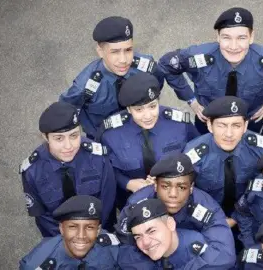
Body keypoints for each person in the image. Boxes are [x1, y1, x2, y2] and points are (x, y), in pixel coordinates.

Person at [158, 7, 263, 134]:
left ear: (252, 37)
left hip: (250, 121)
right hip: (209, 120)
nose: (233, 46)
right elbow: (166, 65)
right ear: (217, 37)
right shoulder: (199, 57)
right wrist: (191, 100)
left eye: (241, 38)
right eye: (226, 37)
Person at [115, 152, 236, 268]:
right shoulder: (137, 205)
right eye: (165, 186)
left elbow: (225, 254)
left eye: (182, 187)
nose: (173, 194)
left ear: (191, 188)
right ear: (155, 186)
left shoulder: (205, 206)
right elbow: (127, 250)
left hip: (188, 255)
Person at [19, 101, 116, 237]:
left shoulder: (98, 157)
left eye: (74, 136)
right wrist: (68, 240)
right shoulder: (32, 171)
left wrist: (92, 233)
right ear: (45, 137)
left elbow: (107, 201)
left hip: (99, 230)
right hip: (59, 238)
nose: (68, 146)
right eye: (59, 138)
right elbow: (43, 217)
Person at [59, 16, 165, 139]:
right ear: (100, 51)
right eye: (114, 52)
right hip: (105, 138)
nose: (123, 60)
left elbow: (156, 86)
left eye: (128, 50)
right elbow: (65, 115)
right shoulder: (85, 85)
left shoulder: (145, 66)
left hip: (142, 128)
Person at [183, 96, 263, 252]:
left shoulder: (259, 148)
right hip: (207, 218)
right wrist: (215, 220)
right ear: (209, 125)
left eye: (236, 125)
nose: (229, 134)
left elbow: (262, 185)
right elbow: (187, 195)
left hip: (248, 212)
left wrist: (236, 217)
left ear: (245, 125)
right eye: (221, 125)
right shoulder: (193, 154)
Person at [100, 72, 199, 201]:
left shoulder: (179, 123)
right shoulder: (110, 133)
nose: (148, 116)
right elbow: (104, 167)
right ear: (129, 109)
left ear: (158, 101)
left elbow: (197, 153)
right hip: (133, 198)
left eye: (152, 106)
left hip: (177, 195)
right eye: (139, 110)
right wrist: (128, 183)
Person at [119, 198, 234, 269]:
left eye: (152, 231)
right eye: (138, 237)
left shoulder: (197, 249)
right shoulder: (136, 253)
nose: (145, 242)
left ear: (170, 224)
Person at [19, 195, 120, 269]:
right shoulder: (36, 264)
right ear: (62, 229)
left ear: (98, 230)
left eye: (89, 227)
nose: (81, 236)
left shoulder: (110, 246)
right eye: (73, 227)